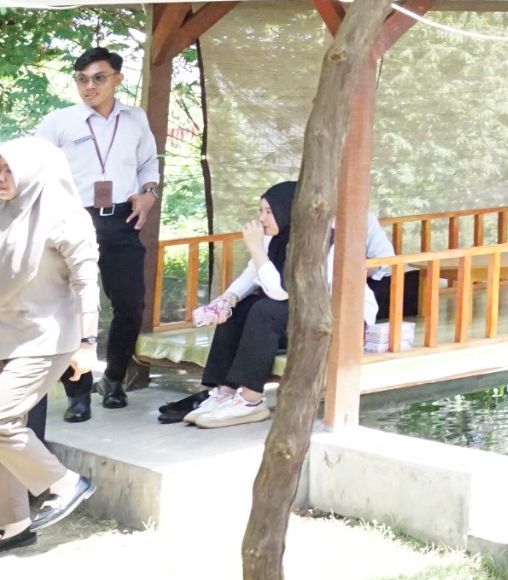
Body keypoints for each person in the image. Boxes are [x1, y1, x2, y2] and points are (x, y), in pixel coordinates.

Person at [157, 181, 396, 428]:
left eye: (268, 212)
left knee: (265, 310)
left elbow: (281, 292)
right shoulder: (277, 238)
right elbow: (251, 274)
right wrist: (226, 300)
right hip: (303, 315)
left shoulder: (320, 241)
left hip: (336, 321)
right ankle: (223, 393)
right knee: (239, 310)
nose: (261, 218)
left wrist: (255, 247)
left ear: (288, 210)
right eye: (260, 211)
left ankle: (251, 401)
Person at [37, 47, 160, 419]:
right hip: (74, 220)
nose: (88, 86)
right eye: (81, 79)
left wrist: (149, 194)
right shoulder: (59, 121)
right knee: (72, 306)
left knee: (129, 304)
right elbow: (36, 171)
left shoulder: (135, 118)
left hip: (122, 220)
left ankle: (115, 379)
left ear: (118, 79)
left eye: (98, 78)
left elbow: (147, 163)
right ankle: (77, 392)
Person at [0, 138, 99, 545]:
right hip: (7, 335)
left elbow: (87, 280)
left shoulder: (65, 214)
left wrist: (88, 342)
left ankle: (64, 483)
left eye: (8, 169)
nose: (1, 177)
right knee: (6, 432)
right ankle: (14, 525)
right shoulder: (7, 211)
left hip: (49, 338)